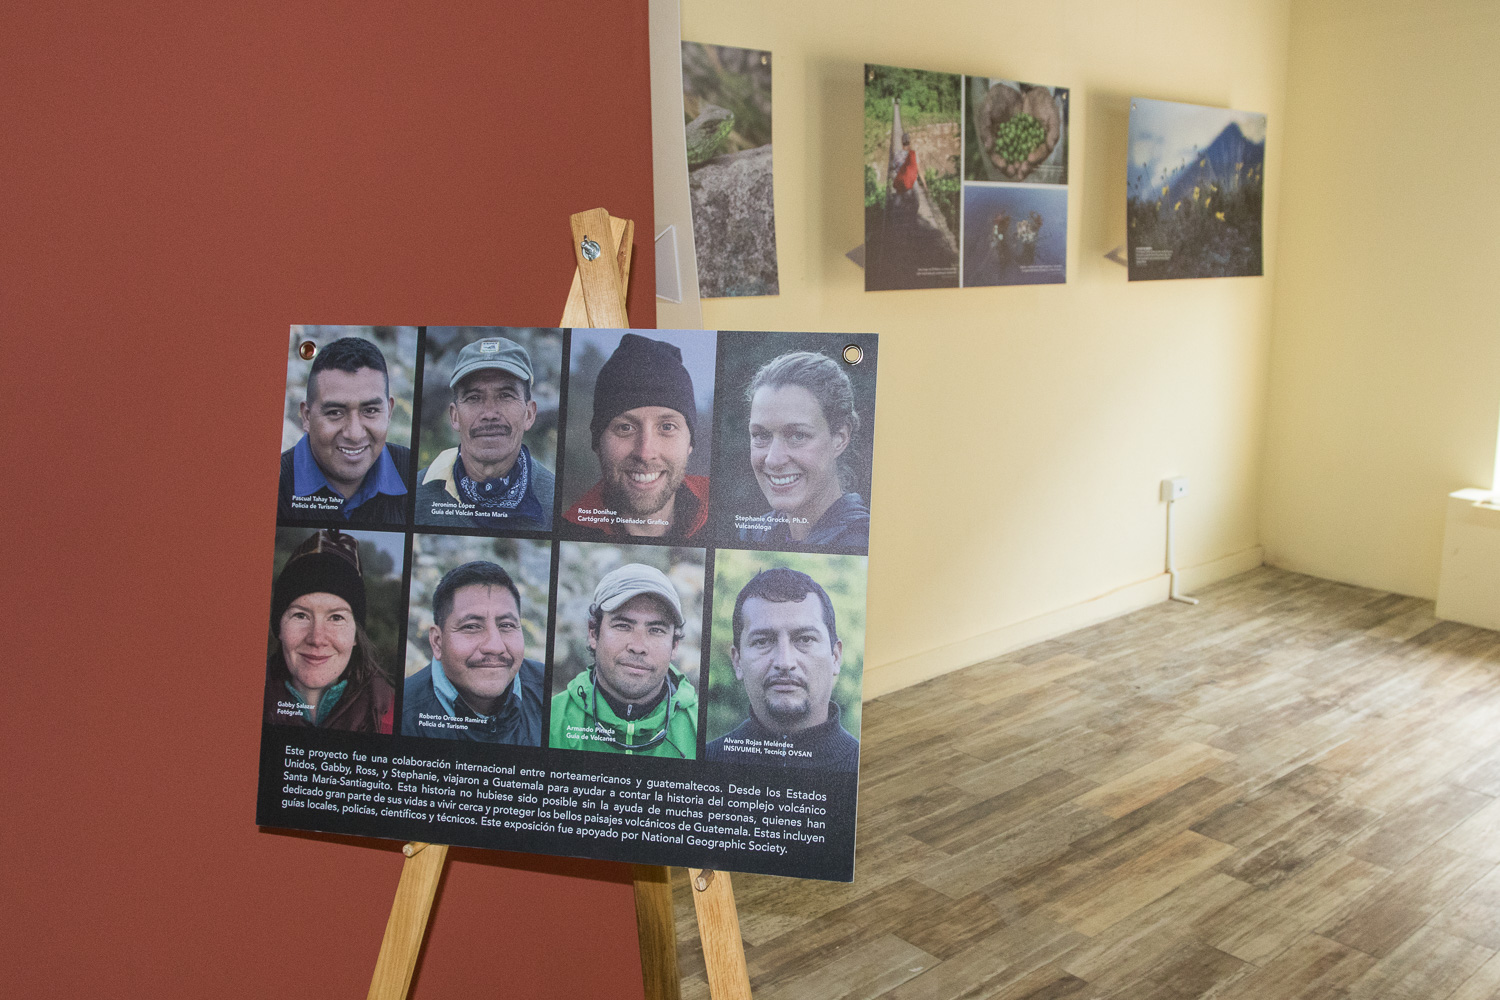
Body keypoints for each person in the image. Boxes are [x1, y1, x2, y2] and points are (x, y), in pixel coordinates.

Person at [706, 567, 858, 771]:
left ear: (836, 657)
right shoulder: (706, 762)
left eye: (805, 639)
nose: (785, 662)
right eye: (762, 641)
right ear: (737, 661)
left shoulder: (865, 767)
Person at [564, 334, 709, 540]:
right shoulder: (570, 531)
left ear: (689, 442)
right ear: (597, 442)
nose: (645, 452)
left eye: (667, 426)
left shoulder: (723, 509)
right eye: (625, 427)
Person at [550, 563, 698, 757]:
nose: (638, 646)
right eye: (623, 626)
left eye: (656, 630)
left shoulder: (700, 726)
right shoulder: (550, 718)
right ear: (593, 633)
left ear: (675, 646)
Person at [416, 336, 555, 530]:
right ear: (454, 416)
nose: (489, 414)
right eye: (474, 397)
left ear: (529, 414)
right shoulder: (415, 495)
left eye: (505, 396)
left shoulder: (556, 501)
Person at [264, 529, 395, 732]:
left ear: (356, 635)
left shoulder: (393, 717)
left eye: (336, 617)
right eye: (300, 615)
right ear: (279, 627)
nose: (317, 638)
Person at [737, 351, 870, 549]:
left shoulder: (862, 542)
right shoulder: (752, 534)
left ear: (840, 439)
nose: (773, 460)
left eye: (798, 435)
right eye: (761, 435)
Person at [403, 560, 544, 744]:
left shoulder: (546, 693)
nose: (495, 646)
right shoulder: (401, 712)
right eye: (471, 627)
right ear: (437, 642)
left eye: (507, 625)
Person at [278, 336, 411, 524]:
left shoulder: (419, 476)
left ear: (389, 412)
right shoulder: (272, 486)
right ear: (306, 416)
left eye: (370, 411)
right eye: (335, 413)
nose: (355, 434)